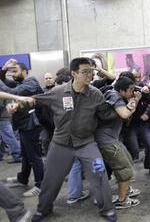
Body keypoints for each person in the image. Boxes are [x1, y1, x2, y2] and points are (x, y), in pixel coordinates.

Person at [9, 57, 119, 222]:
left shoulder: (95, 94)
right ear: (73, 73)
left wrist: (124, 108)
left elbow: (105, 113)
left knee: (99, 174)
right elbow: (36, 100)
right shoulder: (59, 91)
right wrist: (18, 105)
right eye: (85, 72)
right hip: (60, 144)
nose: (89, 75)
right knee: (51, 179)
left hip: (86, 143)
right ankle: (44, 209)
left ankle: (107, 209)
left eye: (91, 71)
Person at [95, 76, 141, 209]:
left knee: (127, 161)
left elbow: (126, 117)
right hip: (106, 140)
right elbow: (125, 114)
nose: (132, 92)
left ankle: (125, 191)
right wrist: (135, 101)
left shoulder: (114, 95)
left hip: (112, 139)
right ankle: (122, 200)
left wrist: (133, 102)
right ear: (122, 90)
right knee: (124, 170)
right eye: (131, 90)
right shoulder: (114, 96)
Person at [0, 59, 44, 197]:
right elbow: (5, 84)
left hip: (32, 124)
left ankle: (40, 185)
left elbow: (10, 91)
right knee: (26, 155)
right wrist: (4, 69)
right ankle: (22, 178)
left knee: (34, 156)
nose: (12, 74)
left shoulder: (31, 82)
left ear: (24, 71)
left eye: (15, 71)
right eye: (11, 72)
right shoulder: (21, 82)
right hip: (24, 123)